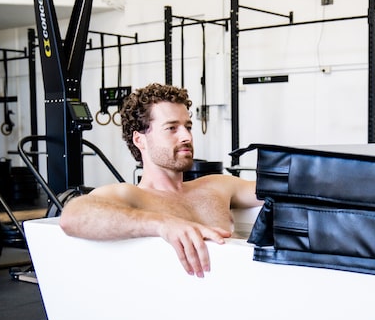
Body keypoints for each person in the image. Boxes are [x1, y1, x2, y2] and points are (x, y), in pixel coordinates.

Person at [59, 83, 262, 277]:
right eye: (172, 128)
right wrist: (163, 224)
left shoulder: (219, 186)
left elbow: (279, 191)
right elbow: (72, 217)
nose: (186, 137)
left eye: (188, 126)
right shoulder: (132, 195)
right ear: (140, 139)